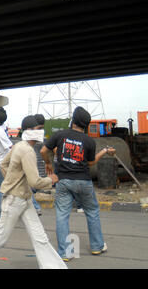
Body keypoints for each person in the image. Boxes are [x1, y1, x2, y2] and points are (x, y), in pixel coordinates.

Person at [0, 115, 67, 269]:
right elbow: (35, 182)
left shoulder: (18, 146)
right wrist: (52, 180)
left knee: (40, 237)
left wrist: (13, 181)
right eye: (39, 129)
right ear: (29, 131)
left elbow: (4, 164)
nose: (41, 132)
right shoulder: (27, 151)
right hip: (15, 200)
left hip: (23, 199)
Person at [41, 106, 115, 262]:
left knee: (62, 216)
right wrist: (104, 151)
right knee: (92, 212)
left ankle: (65, 253)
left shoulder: (60, 135)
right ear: (86, 125)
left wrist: (48, 164)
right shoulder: (89, 141)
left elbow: (43, 151)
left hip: (63, 181)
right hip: (83, 181)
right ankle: (97, 246)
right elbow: (90, 162)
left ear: (73, 120)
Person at [31, 114, 46, 216]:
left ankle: (36, 208)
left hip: (32, 165)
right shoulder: (41, 133)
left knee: (26, 189)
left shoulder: (34, 133)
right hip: (37, 165)